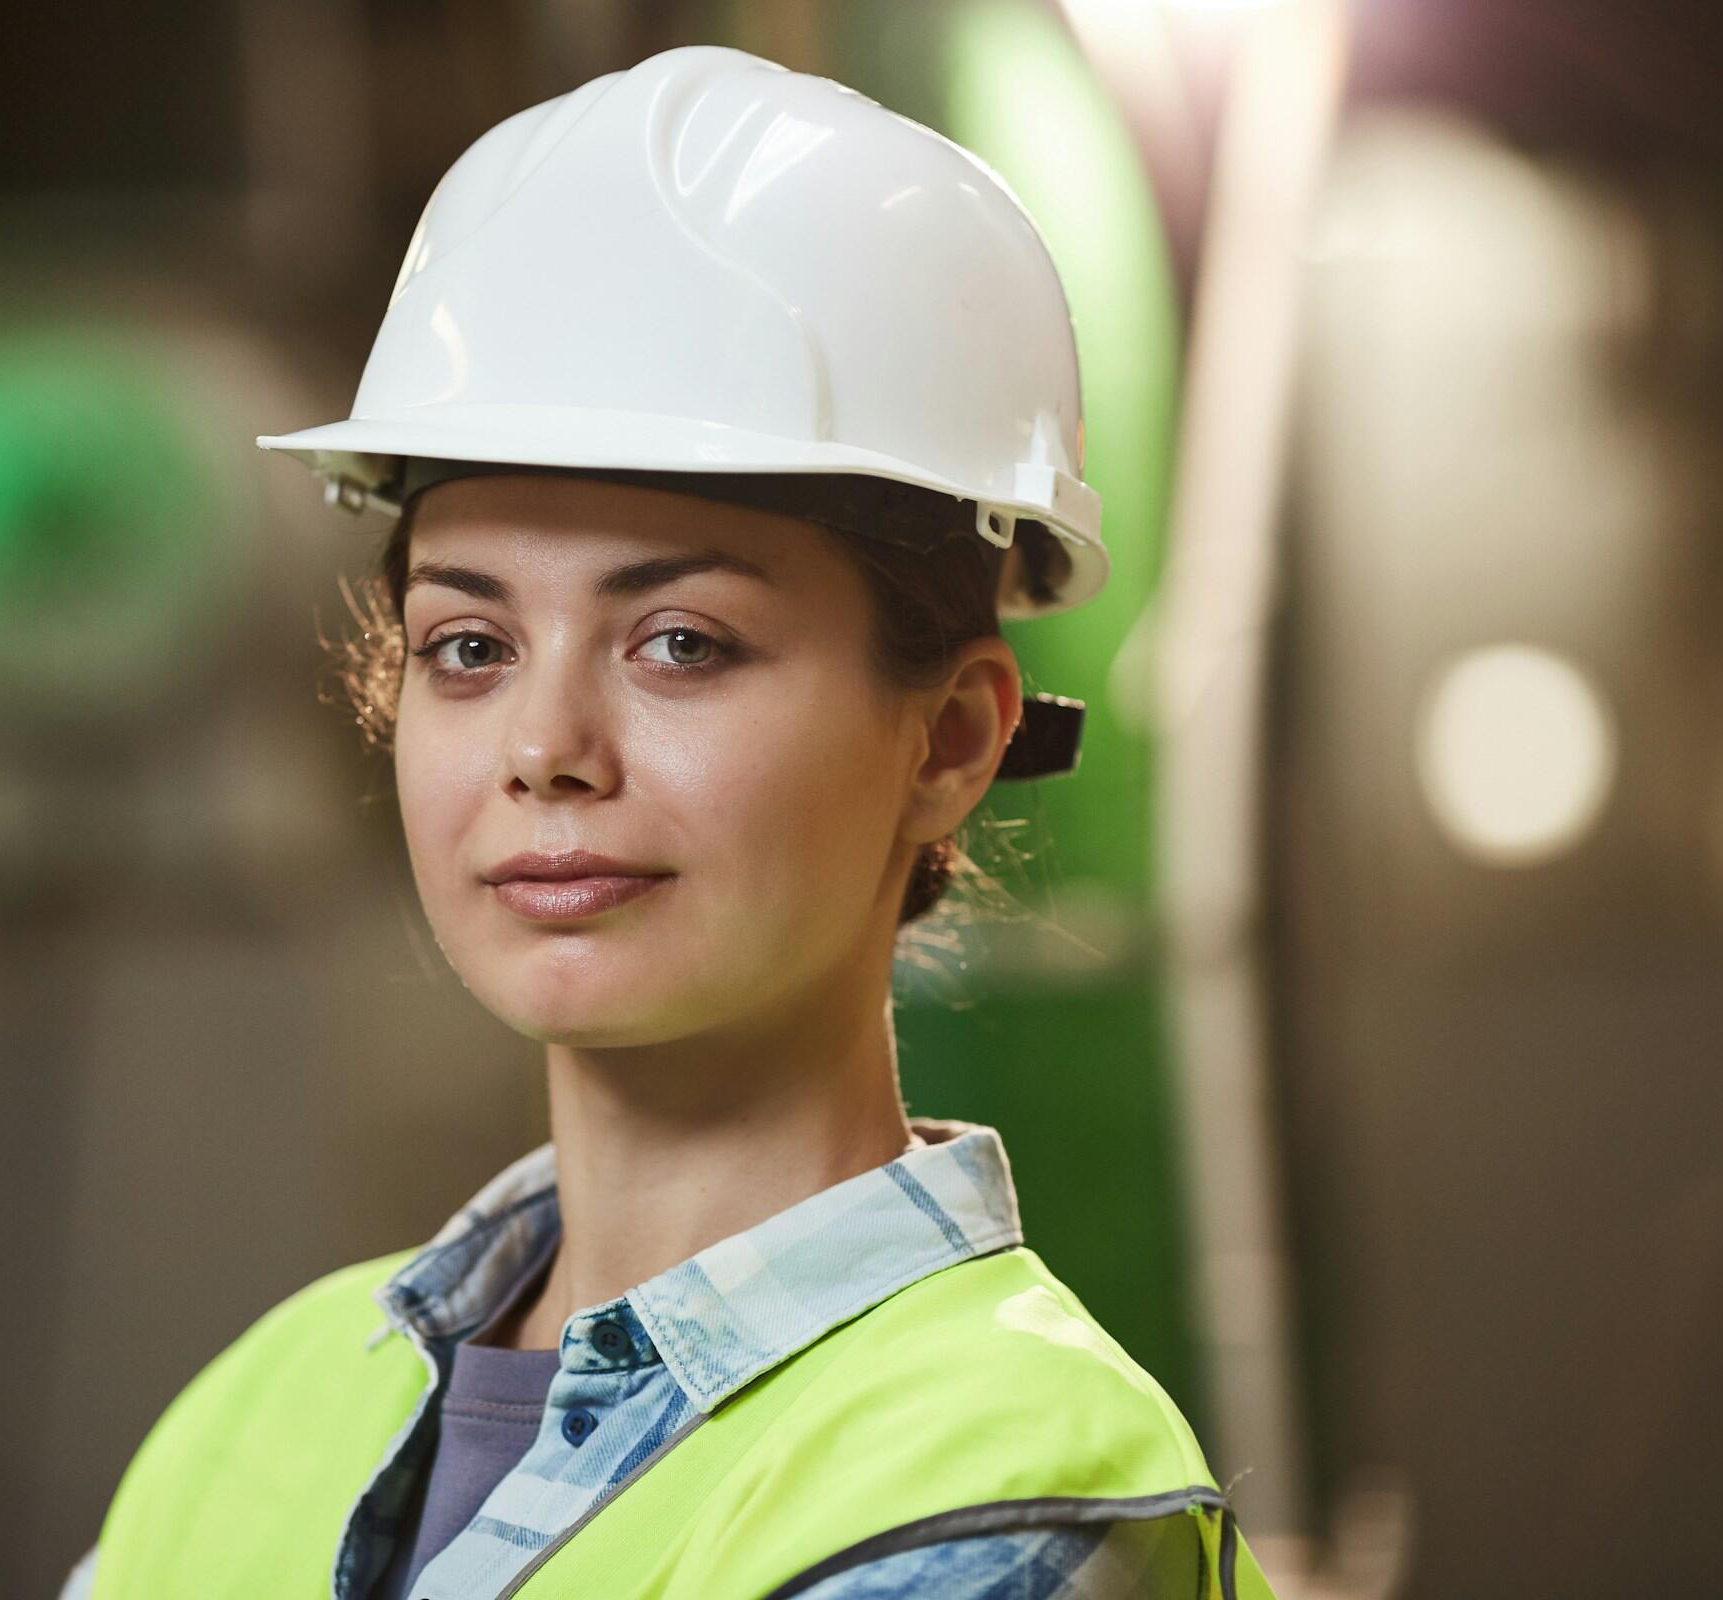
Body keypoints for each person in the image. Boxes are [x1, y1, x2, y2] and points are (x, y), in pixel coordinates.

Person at [64, 43, 1275, 1600]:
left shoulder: (989, 1494)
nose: (545, 750)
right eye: (470, 647)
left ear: (954, 738)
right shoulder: (264, 1408)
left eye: (680, 643)